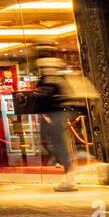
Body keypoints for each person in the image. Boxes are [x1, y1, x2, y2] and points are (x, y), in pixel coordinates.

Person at [35, 57, 77, 191]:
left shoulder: (49, 81)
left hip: (54, 115)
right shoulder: (57, 80)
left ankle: (69, 177)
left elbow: (43, 98)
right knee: (53, 142)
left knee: (59, 144)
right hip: (54, 114)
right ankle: (66, 172)